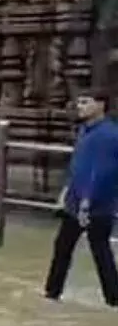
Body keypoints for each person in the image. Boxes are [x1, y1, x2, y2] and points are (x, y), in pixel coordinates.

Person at [43, 90, 118, 307]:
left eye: (86, 102)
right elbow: (78, 167)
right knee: (63, 246)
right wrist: (66, 192)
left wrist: (88, 202)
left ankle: (113, 298)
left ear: (101, 105)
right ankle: (52, 292)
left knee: (100, 250)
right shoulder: (85, 131)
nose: (80, 106)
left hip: (96, 204)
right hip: (75, 201)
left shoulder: (109, 135)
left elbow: (102, 172)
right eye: (79, 102)